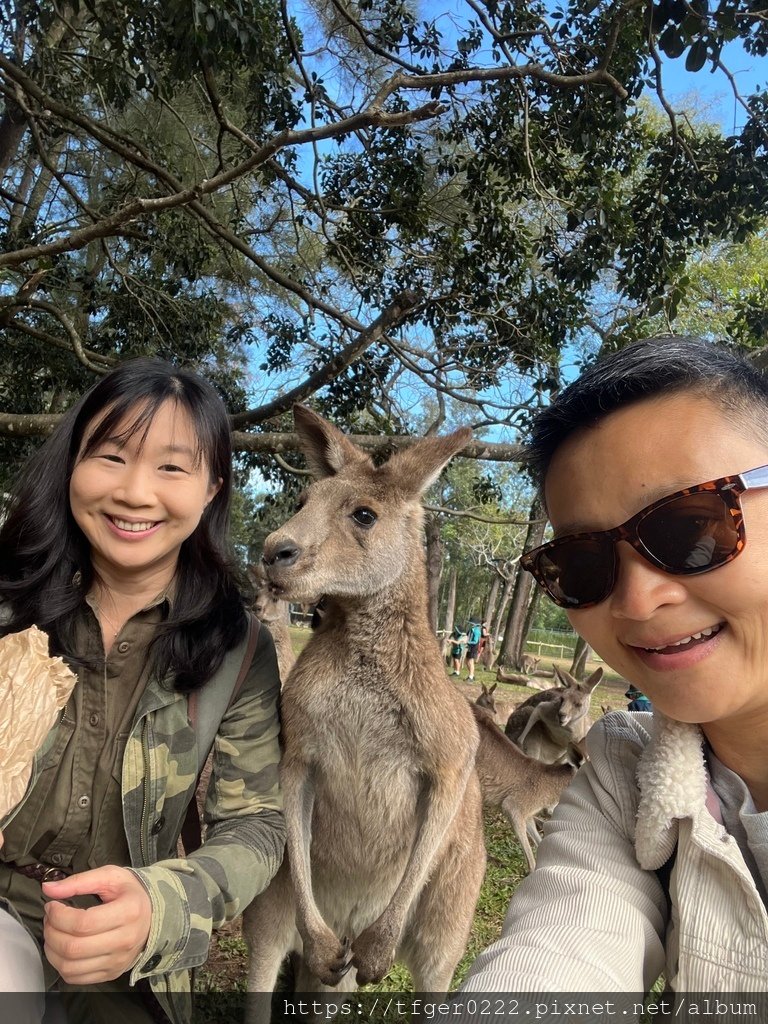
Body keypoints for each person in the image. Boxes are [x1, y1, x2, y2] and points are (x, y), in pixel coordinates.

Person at [459, 336, 768, 996]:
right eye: (581, 565)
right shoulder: (626, 773)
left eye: (690, 528)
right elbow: (564, 945)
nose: (635, 601)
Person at [0, 359, 284, 1023]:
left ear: (211, 487)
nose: (134, 492)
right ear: (73, 464)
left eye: (171, 467)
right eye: (111, 456)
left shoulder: (238, 648)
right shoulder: (9, 605)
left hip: (126, 948)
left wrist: (165, 906)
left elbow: (256, 824)